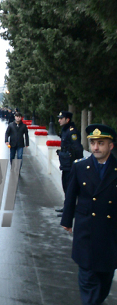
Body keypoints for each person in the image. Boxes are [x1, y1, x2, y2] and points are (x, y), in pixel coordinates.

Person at [61, 124, 117, 305]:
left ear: (111, 146)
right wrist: (67, 220)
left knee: (104, 283)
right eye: (93, 143)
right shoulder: (80, 167)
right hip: (86, 233)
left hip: (110, 236)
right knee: (88, 282)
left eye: (101, 143)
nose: (95, 147)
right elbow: (71, 196)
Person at [56, 111, 84, 215]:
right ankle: (66, 207)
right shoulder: (65, 130)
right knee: (66, 186)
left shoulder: (72, 132)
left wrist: (78, 164)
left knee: (70, 189)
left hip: (71, 165)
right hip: (65, 164)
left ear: (67, 119)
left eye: (61, 118)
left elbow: (77, 149)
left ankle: (70, 211)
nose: (59, 120)